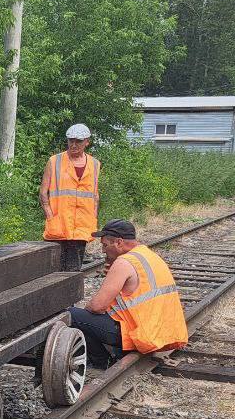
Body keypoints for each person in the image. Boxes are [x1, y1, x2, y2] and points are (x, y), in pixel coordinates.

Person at [69, 219, 188, 368]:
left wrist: (86, 313)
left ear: (119, 242)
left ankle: (101, 362)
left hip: (139, 333)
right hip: (159, 331)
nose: (103, 251)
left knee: (70, 314)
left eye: (105, 245)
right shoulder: (149, 255)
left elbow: (97, 306)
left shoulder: (124, 262)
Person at [40, 123, 99, 271]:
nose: (73, 144)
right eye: (70, 140)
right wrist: (49, 216)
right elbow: (43, 192)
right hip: (59, 223)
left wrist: (93, 217)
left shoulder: (95, 164)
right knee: (54, 270)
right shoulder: (54, 161)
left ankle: (71, 294)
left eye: (78, 141)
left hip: (81, 225)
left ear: (87, 142)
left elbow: (95, 195)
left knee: (73, 269)